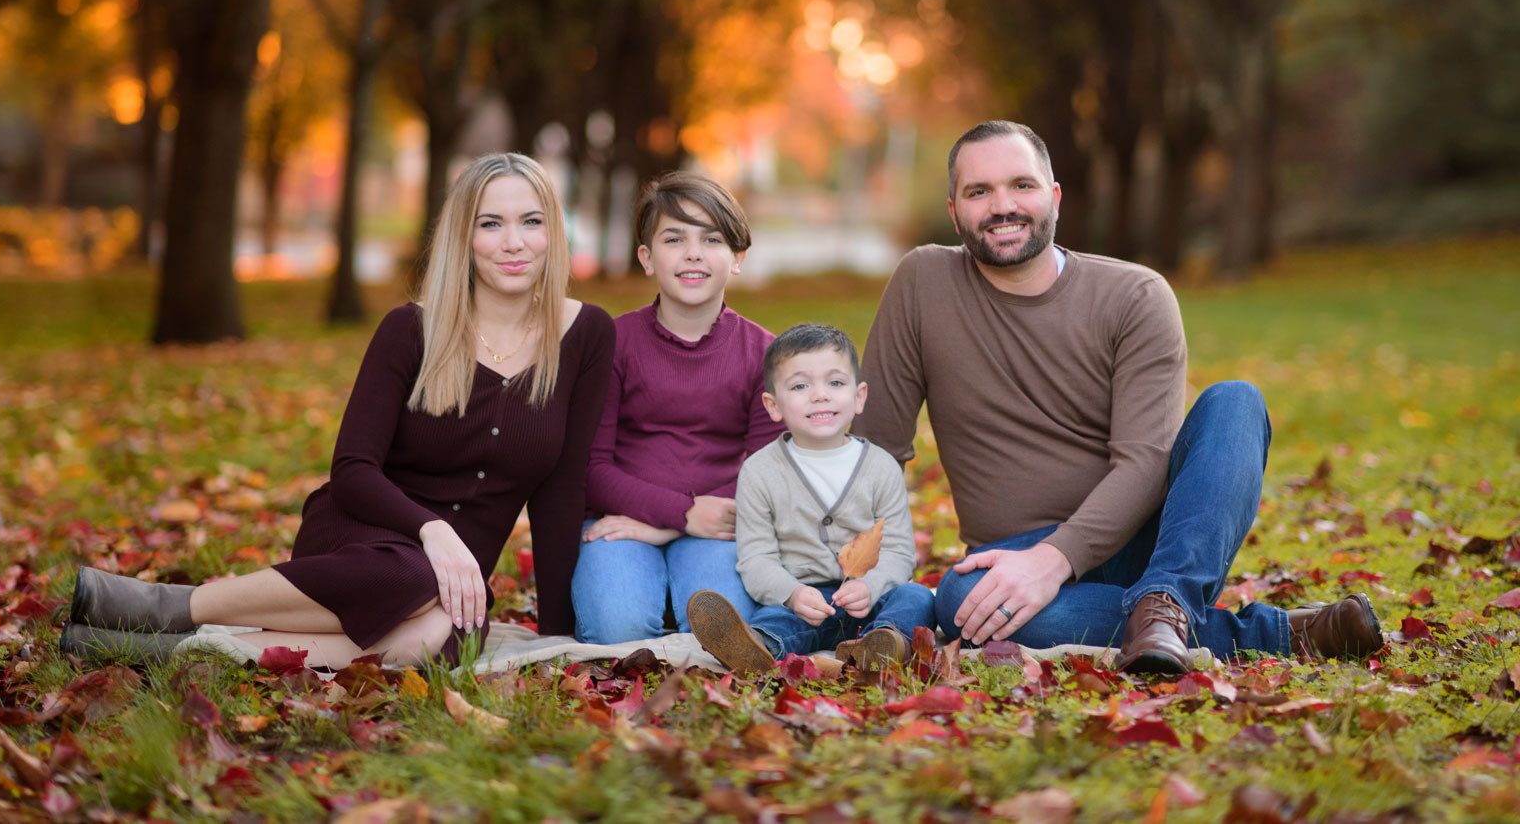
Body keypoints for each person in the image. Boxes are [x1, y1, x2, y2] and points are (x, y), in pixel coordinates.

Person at [854, 120, 1383, 673]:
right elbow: (874, 450)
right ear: (954, 209)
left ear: (1054, 197)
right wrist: (843, 569)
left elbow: (1145, 462)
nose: (1002, 205)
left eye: (1022, 185)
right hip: (1010, 553)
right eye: (978, 192)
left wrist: (1055, 560)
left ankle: (1168, 598)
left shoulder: (1135, 295)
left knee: (1235, 402)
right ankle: (1245, 629)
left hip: (1149, 540)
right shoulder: (922, 283)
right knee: (964, 604)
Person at [61, 153, 615, 669]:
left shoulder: (586, 334)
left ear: (553, 232)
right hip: (362, 537)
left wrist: (556, 634)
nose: (514, 243)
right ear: (463, 237)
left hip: (448, 582)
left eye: (532, 222)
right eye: (490, 224)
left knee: (447, 636)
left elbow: (562, 490)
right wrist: (433, 531)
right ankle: (174, 605)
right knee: (412, 579)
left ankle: (186, 647)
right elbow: (352, 471)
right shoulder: (409, 330)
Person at [570, 172, 779, 643]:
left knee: (726, 632)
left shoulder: (766, 355)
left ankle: (673, 593)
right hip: (620, 515)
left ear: (738, 258)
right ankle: (648, 596)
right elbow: (592, 466)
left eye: (712, 239)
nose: (693, 253)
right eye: (673, 238)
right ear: (646, 257)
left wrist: (676, 526)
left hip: (719, 521)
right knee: (616, 628)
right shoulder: (613, 343)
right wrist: (678, 514)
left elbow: (768, 469)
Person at [687, 323, 935, 672]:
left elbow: (898, 550)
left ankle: (882, 644)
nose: (820, 395)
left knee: (917, 597)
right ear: (773, 406)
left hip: (871, 600)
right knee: (775, 619)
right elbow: (756, 559)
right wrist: (792, 593)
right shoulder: (760, 472)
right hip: (803, 604)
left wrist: (872, 585)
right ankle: (757, 646)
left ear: (859, 396)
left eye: (835, 383)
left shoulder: (881, 467)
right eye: (800, 386)